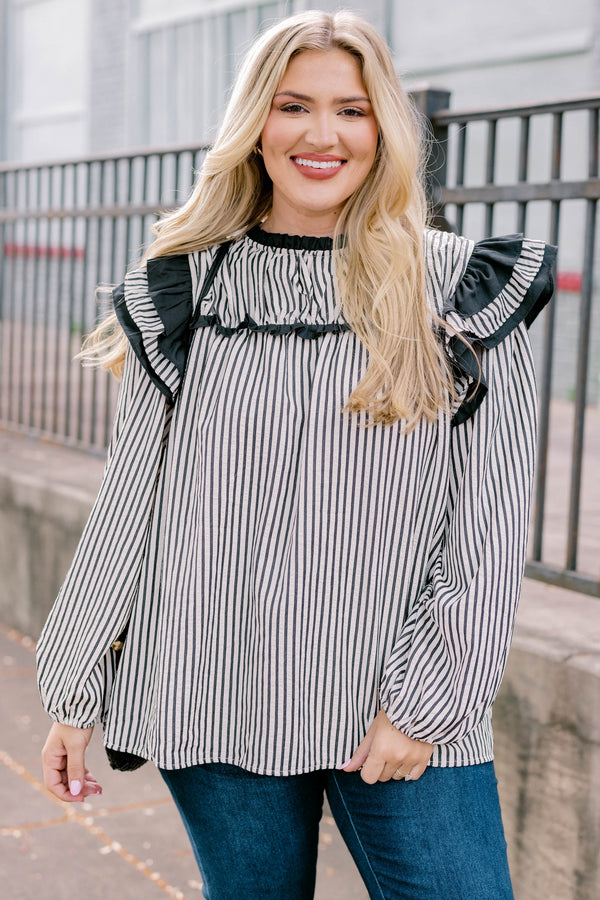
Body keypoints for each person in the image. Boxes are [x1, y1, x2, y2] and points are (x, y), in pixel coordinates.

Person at [36, 9, 556, 899]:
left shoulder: (464, 288)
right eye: (292, 106)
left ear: (384, 126)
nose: (323, 135)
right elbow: (130, 507)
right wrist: (75, 688)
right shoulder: (184, 288)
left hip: (393, 697)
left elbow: (491, 522)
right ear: (254, 126)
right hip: (210, 685)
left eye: (352, 110)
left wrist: (425, 701)